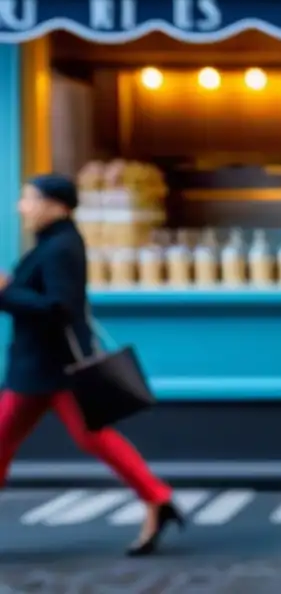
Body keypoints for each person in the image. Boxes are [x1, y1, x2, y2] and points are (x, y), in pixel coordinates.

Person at [0, 174, 182, 556]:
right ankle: (158, 498)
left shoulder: (61, 247)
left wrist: (5, 292)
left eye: (28, 199)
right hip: (44, 367)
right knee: (89, 437)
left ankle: (157, 498)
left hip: (50, 368)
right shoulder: (55, 242)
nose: (22, 207)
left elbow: (58, 307)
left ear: (55, 204)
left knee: (86, 437)